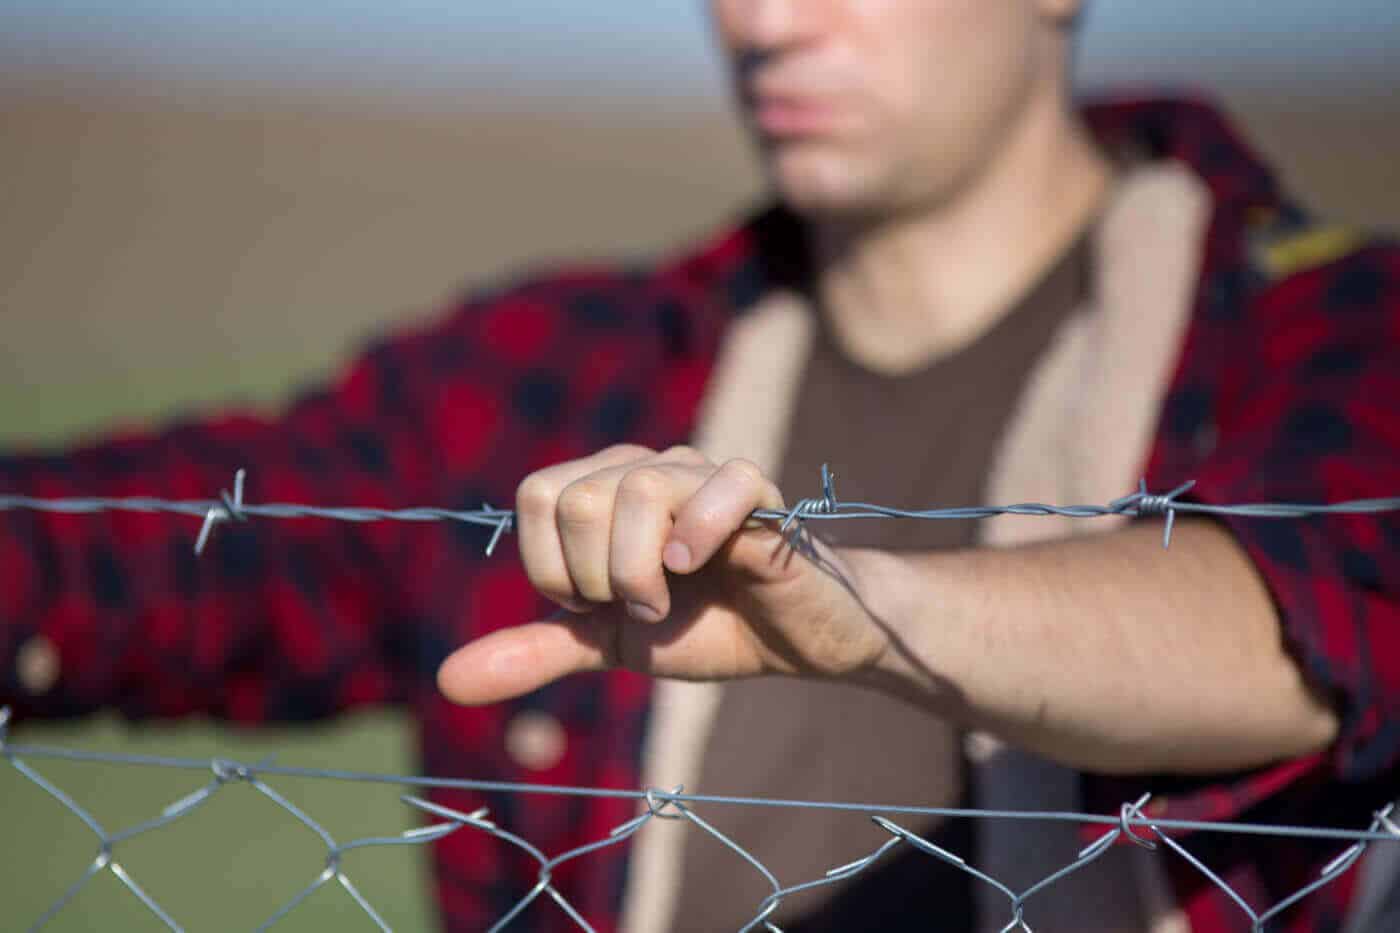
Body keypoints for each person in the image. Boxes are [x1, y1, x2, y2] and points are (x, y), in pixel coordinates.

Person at [3, 0, 1398, 930]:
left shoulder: (1321, 324)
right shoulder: (571, 376)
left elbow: (1301, 623)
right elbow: (178, 540)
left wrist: (868, 613)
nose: (764, 20)